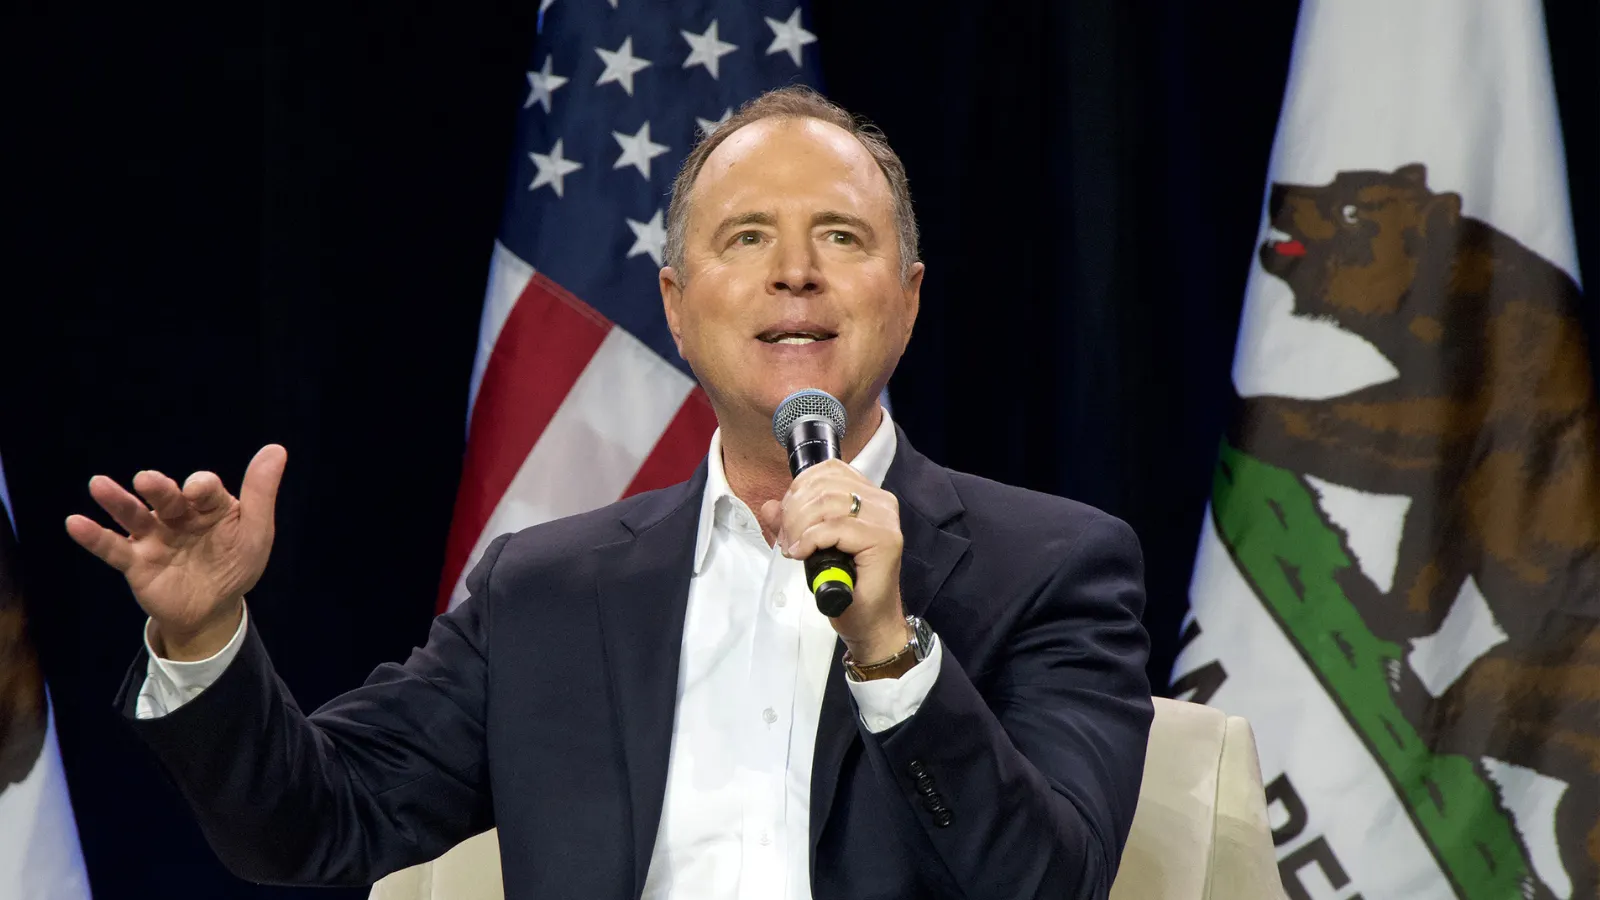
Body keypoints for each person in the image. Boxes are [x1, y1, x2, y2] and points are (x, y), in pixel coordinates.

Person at [66, 87, 1153, 900]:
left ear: (906, 303)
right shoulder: (547, 589)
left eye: (840, 238)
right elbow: (316, 824)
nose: (794, 273)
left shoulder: (1052, 567)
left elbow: (1049, 885)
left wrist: (890, 654)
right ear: (676, 308)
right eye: (745, 240)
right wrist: (205, 636)